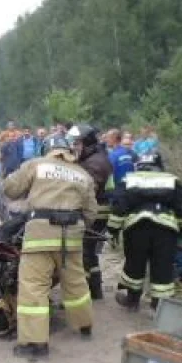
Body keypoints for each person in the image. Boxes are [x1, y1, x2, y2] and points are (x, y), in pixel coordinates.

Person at [2, 135, 98, 360]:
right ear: (68, 151)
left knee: (34, 286)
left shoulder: (36, 164)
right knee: (75, 281)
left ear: (47, 149)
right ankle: (84, 326)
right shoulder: (82, 174)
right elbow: (91, 212)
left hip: (40, 234)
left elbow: (10, 189)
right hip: (71, 237)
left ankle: (35, 343)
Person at [109, 152, 182, 311]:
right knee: (163, 267)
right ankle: (159, 306)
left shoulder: (129, 179)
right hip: (165, 231)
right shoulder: (172, 180)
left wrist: (113, 229)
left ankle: (132, 301)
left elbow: (119, 207)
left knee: (134, 264)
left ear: (138, 165)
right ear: (159, 165)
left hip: (137, 228)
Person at [69, 123, 113, 300]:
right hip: (98, 210)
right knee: (90, 251)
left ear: (86, 143)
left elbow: (87, 192)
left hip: (96, 212)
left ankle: (82, 293)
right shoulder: (93, 158)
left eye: (77, 143)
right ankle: (95, 291)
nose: (74, 147)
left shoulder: (94, 163)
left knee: (83, 252)